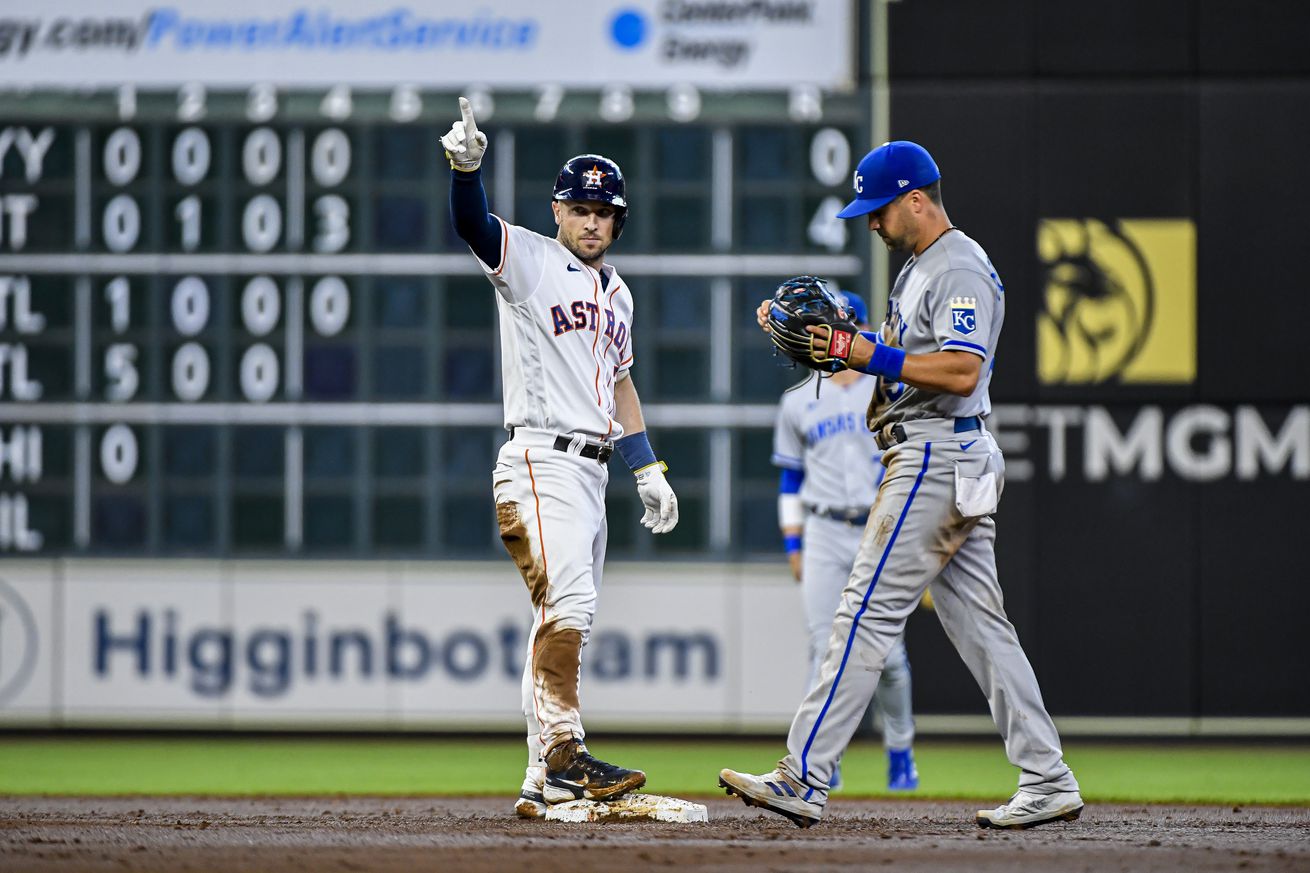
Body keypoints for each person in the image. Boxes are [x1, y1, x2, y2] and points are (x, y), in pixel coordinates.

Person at [720, 141, 1082, 829]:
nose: (872, 224)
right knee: (982, 625)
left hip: (935, 457)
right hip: (947, 456)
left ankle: (803, 775)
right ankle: (1047, 775)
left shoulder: (958, 266)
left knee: (862, 612)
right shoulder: (920, 269)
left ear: (917, 198)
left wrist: (864, 351)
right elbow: (890, 362)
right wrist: (830, 345)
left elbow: (960, 371)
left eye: (879, 210)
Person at [441, 97, 680, 819]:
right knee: (568, 604)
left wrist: (647, 467)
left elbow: (620, 381)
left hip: (595, 467)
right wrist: (466, 172)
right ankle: (566, 755)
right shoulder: (534, 263)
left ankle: (539, 780)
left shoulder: (619, 293)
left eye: (605, 212)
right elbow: (475, 228)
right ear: (557, 210)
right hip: (541, 458)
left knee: (558, 612)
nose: (592, 221)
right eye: (580, 208)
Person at [772, 287, 918, 792]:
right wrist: (793, 543)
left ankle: (900, 749)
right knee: (821, 650)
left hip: (879, 524)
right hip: (823, 528)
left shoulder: (886, 384)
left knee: (889, 657)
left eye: (835, 324)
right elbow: (790, 478)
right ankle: (820, 763)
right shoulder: (797, 400)